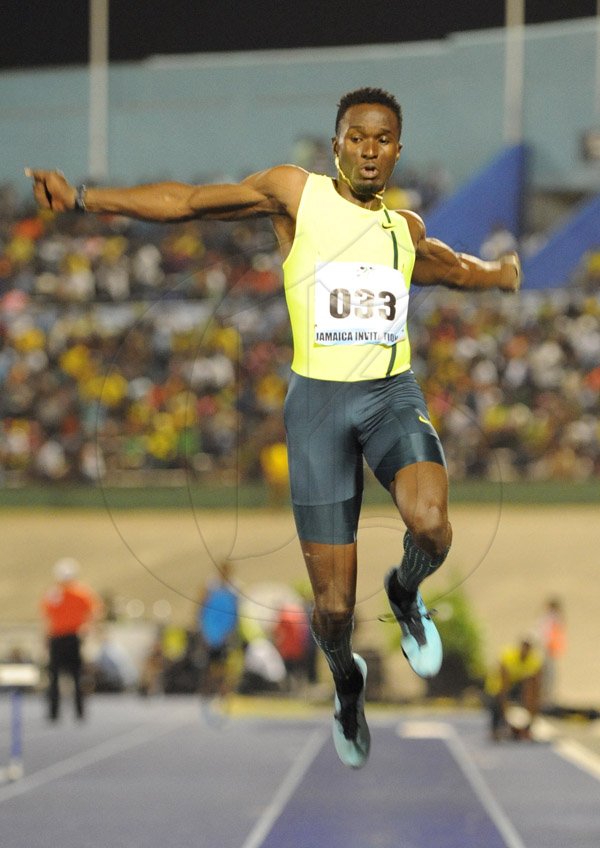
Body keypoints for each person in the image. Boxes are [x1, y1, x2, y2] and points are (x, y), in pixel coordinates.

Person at [26, 86, 521, 766]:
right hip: (318, 406)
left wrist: (498, 273)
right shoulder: (296, 195)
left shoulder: (401, 229)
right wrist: (85, 199)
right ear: (336, 143)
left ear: (397, 151)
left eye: (382, 139)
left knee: (432, 523)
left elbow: (445, 267)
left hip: (389, 395)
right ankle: (347, 684)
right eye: (357, 137)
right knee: (335, 610)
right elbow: (190, 205)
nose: (369, 150)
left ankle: (405, 591)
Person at [40, 557, 103, 721]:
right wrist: (87, 628)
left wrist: (46, 638)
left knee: (55, 677)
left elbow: (46, 617)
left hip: (59, 638)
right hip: (72, 638)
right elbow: (95, 612)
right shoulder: (81, 592)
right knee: (75, 676)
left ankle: (54, 713)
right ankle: (79, 712)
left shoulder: (54, 594)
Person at [483, 635, 543, 742]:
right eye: (524, 647)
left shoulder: (534, 661)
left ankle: (523, 729)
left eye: (528, 648)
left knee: (529, 697)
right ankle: (496, 728)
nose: (525, 651)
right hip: (498, 684)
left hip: (516, 683)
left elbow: (534, 689)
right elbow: (503, 688)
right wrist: (507, 715)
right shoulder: (508, 656)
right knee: (496, 703)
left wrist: (530, 719)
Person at [195, 561, 240, 696]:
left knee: (224, 662)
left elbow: (236, 609)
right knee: (210, 662)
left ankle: (223, 689)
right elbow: (201, 605)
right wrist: (201, 626)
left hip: (225, 630)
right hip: (211, 629)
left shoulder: (234, 587)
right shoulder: (210, 585)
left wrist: (233, 628)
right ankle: (208, 688)